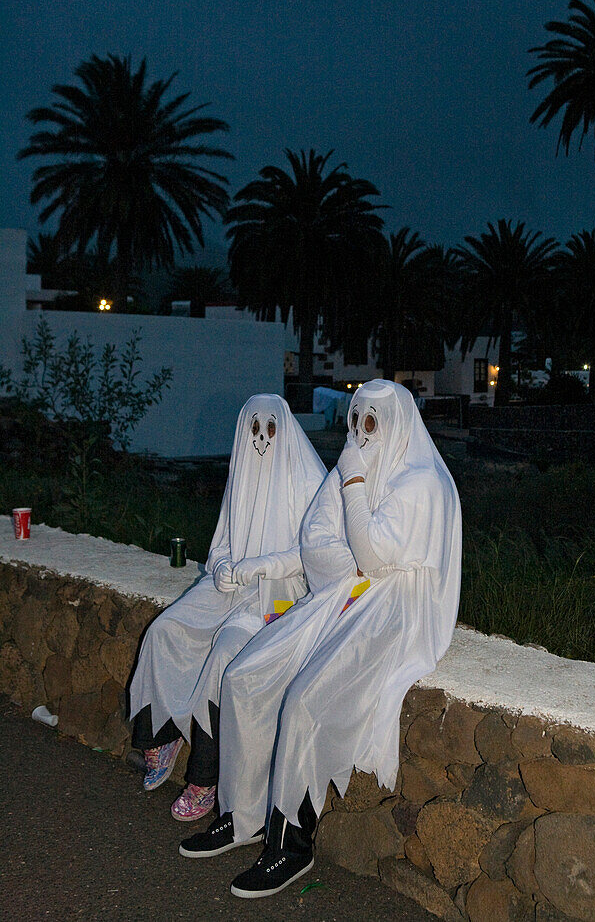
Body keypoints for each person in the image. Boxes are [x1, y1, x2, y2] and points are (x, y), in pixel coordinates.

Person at [179, 380, 461, 899]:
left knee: (306, 701)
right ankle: (240, 815)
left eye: (369, 422)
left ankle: (291, 841)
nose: (358, 433)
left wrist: (354, 492)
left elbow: (374, 558)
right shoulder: (354, 466)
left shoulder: (418, 482)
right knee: (245, 677)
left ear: (394, 422)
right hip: (342, 596)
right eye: (354, 421)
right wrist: (358, 551)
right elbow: (315, 541)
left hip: (392, 610)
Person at [128, 394, 326, 822]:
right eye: (254, 430)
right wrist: (219, 566)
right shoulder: (243, 473)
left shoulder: (307, 478)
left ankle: (205, 776)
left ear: (284, 430)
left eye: (270, 430)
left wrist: (259, 566)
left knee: (225, 652)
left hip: (279, 593)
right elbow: (221, 541)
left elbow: (314, 551)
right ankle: (161, 735)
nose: (261, 439)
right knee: (167, 629)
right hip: (233, 584)